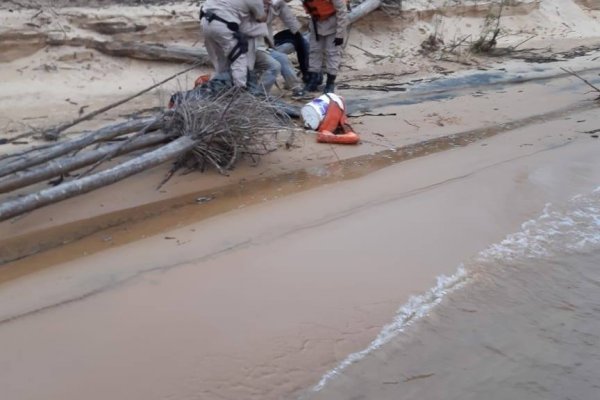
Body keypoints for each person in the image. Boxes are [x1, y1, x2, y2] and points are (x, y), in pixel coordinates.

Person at [200, 0, 267, 88]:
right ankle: (240, 90)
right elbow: (261, 18)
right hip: (223, 25)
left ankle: (221, 86)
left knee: (221, 59)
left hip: (205, 21)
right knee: (239, 57)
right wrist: (267, 8)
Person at [302, 0, 348, 93]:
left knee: (332, 53)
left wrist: (340, 34)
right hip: (316, 23)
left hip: (333, 24)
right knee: (314, 51)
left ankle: (330, 82)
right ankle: (313, 80)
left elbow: (342, 11)